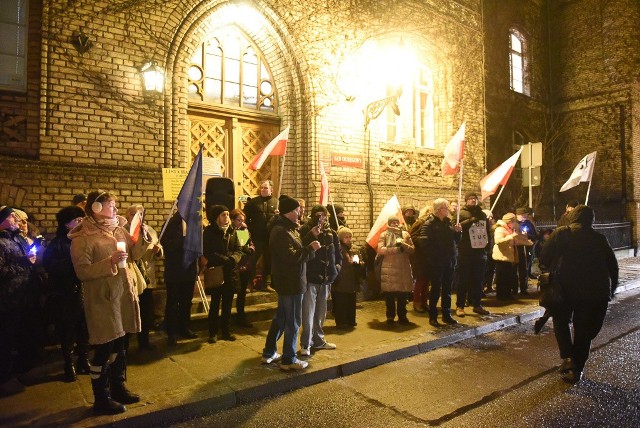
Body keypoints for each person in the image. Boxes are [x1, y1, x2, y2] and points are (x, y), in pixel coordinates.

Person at [69, 190, 150, 414]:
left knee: (120, 345)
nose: (115, 209)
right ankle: (101, 398)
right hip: (102, 301)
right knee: (104, 347)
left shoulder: (118, 229)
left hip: (122, 295)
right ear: (96, 208)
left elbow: (134, 255)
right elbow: (82, 271)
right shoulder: (83, 237)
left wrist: (142, 238)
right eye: (111, 205)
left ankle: (118, 387)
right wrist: (110, 261)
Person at [540, 205, 618, 384]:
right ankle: (578, 367)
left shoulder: (561, 233)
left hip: (564, 288)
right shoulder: (599, 238)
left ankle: (568, 356)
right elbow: (612, 265)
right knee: (583, 330)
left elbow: (543, 257)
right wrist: (612, 288)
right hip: (592, 292)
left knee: (561, 321)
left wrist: (551, 268)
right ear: (592, 220)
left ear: (573, 217)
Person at [262, 196, 320, 371]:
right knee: (293, 321)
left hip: (291, 280)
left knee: (281, 318)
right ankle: (289, 359)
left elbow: (296, 243)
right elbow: (291, 257)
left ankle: (269, 352)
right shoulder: (280, 231)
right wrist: (311, 248)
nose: (299, 212)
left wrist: (309, 236)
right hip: (290, 282)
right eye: (296, 210)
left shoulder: (288, 229)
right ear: (288, 212)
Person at [42, 206, 90, 382]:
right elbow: (50, 266)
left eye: (81, 220)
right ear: (66, 224)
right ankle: (69, 363)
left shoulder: (85, 239)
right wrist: (72, 265)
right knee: (68, 329)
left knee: (84, 328)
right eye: (76, 220)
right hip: (67, 293)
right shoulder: (57, 244)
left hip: (85, 290)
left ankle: (83, 360)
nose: (80, 223)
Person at [299, 205, 342, 355]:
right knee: (308, 312)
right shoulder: (305, 229)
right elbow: (300, 248)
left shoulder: (331, 232)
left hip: (326, 278)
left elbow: (337, 251)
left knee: (321, 312)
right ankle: (306, 343)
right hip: (311, 277)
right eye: (318, 216)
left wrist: (336, 267)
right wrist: (311, 235)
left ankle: (318, 340)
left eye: (323, 215)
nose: (321, 219)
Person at [0, 206, 32, 396]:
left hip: (21, 298)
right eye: (12, 216)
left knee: (16, 338)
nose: (15, 219)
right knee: (5, 339)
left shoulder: (14, 238)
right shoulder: (1, 242)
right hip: (7, 300)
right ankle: (4, 378)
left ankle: (13, 372)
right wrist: (23, 263)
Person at [202, 205, 243, 344]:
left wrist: (233, 259)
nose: (226, 217)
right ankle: (213, 332)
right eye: (223, 215)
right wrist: (224, 259)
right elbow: (208, 251)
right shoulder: (209, 232)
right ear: (216, 217)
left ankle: (226, 331)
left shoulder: (233, 231)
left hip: (230, 272)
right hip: (217, 272)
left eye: (227, 214)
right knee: (215, 303)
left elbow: (238, 249)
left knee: (227, 304)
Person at [418, 199, 461, 327]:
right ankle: (433, 316)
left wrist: (459, 232)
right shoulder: (429, 224)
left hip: (449, 261)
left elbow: (456, 241)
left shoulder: (449, 223)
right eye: (445, 208)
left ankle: (447, 315)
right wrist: (435, 256)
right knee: (436, 289)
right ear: (438, 210)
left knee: (447, 290)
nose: (448, 210)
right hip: (436, 263)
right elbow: (424, 243)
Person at [125, 205, 163, 351]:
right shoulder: (124, 231)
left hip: (147, 276)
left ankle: (144, 341)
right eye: (134, 214)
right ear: (128, 215)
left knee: (146, 312)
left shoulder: (149, 230)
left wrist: (158, 251)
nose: (137, 217)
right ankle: (126, 345)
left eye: (140, 214)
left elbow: (158, 246)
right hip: (133, 276)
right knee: (130, 311)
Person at [161, 212, 198, 346]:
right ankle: (171, 332)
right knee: (172, 302)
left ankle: (184, 327)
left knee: (186, 302)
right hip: (175, 270)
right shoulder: (170, 224)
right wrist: (183, 239)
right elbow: (167, 245)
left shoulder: (194, 224)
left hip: (189, 270)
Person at [455, 192, 491, 317]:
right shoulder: (461, 214)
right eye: (470, 199)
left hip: (479, 252)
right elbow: (456, 227)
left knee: (478, 280)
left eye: (475, 199)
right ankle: (460, 305)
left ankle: (477, 304)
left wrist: (487, 246)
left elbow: (487, 231)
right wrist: (469, 221)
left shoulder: (482, 214)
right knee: (463, 280)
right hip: (465, 251)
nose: (473, 201)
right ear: (466, 201)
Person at [378, 215, 415, 324]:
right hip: (389, 267)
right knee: (389, 295)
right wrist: (396, 249)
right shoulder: (384, 235)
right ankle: (390, 316)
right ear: (389, 224)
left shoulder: (405, 234)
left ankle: (402, 316)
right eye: (393, 222)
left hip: (403, 268)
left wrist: (404, 245)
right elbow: (381, 249)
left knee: (402, 295)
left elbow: (412, 249)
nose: (395, 224)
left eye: (397, 222)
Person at [244, 180, 278, 291]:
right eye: (262, 188)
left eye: (266, 188)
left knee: (268, 260)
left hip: (270, 237)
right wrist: (247, 233)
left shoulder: (277, 202)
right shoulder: (253, 202)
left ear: (271, 190)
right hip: (256, 236)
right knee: (252, 260)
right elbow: (245, 217)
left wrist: (277, 216)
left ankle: (266, 284)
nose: (263, 190)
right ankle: (249, 284)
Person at [492, 213, 532, 301]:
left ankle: (507, 294)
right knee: (502, 278)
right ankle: (501, 295)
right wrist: (511, 236)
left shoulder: (509, 229)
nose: (515, 224)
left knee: (507, 277)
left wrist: (526, 241)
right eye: (513, 222)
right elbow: (498, 241)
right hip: (501, 257)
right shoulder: (500, 229)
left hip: (508, 257)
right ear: (509, 221)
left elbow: (513, 241)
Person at [332, 227, 363, 328]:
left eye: (350, 237)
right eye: (346, 237)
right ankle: (341, 322)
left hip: (352, 279)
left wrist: (359, 263)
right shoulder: (338, 248)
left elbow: (360, 261)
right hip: (341, 279)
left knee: (351, 301)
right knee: (341, 301)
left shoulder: (354, 248)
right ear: (341, 237)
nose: (348, 239)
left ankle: (351, 320)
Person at [230, 208, 255, 327]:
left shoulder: (244, 230)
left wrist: (250, 247)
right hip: (232, 265)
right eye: (238, 220)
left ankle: (241, 316)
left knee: (242, 293)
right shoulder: (230, 231)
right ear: (232, 220)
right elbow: (240, 248)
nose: (241, 222)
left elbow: (247, 247)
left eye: (242, 220)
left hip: (243, 265)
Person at [409, 207, 430, 313]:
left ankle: (424, 302)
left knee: (426, 280)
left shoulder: (431, 224)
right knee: (420, 280)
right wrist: (425, 240)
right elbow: (412, 237)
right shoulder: (420, 223)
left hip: (427, 255)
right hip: (419, 256)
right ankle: (416, 302)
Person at [515, 208, 536, 294]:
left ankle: (524, 288)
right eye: (522, 216)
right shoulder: (514, 224)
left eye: (525, 215)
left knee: (524, 268)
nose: (524, 217)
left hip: (526, 249)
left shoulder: (529, 223)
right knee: (515, 270)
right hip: (516, 249)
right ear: (517, 215)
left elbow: (534, 235)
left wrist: (528, 235)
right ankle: (515, 288)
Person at [482, 210, 497, 294]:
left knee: (491, 270)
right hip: (485, 251)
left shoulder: (495, 228)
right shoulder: (482, 227)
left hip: (492, 251)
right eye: (488, 216)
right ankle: (482, 287)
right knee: (484, 271)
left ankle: (489, 286)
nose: (490, 218)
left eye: (491, 216)